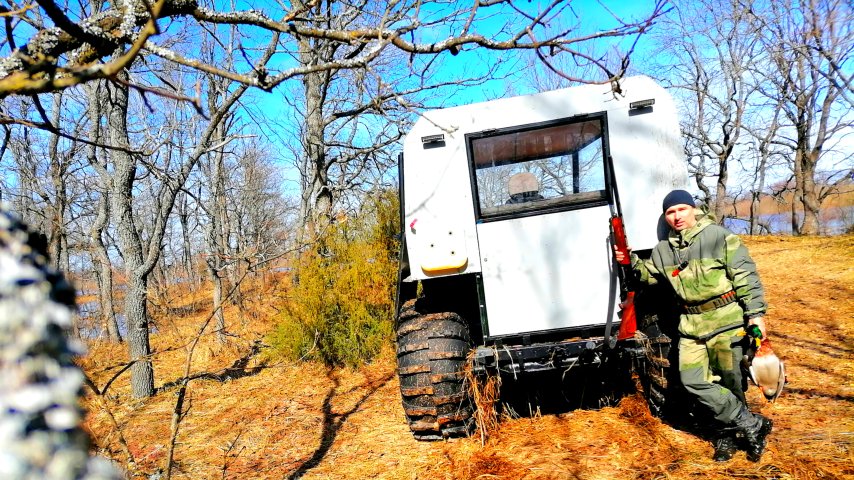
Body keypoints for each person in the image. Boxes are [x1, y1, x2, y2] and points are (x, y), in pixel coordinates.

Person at [614, 189, 773, 462]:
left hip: (726, 321)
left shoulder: (719, 237)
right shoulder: (664, 251)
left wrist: (756, 315)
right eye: (670, 212)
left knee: (730, 382)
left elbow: (746, 276)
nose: (676, 217)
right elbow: (649, 275)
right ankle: (752, 424)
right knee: (693, 381)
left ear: (693, 209)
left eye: (681, 209)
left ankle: (726, 438)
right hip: (691, 327)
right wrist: (629, 260)